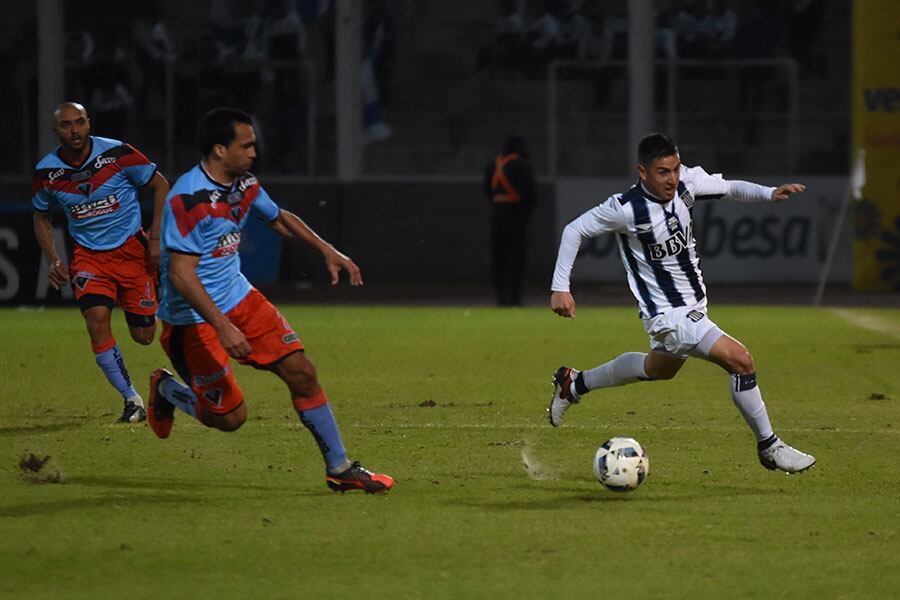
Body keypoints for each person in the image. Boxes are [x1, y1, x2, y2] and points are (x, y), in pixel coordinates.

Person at [148, 107, 394, 494]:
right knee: (229, 418)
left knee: (302, 371)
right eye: (245, 146)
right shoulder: (189, 198)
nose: (253, 153)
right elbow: (181, 274)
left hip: (240, 296)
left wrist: (327, 249)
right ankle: (166, 389)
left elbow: (277, 217)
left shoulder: (242, 183)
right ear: (218, 150)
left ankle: (340, 468)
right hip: (193, 319)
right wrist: (222, 326)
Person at [547, 132, 816, 474]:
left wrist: (768, 193)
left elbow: (729, 187)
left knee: (656, 369)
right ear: (642, 172)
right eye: (662, 172)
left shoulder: (686, 182)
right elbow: (574, 230)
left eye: (674, 168)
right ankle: (769, 445)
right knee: (741, 361)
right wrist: (560, 287)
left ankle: (574, 383)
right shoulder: (625, 209)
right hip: (667, 315)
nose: (672, 179)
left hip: (692, 307)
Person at [32, 101, 170, 423]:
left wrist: (154, 238)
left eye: (79, 122)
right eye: (66, 125)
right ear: (56, 130)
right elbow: (41, 216)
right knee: (96, 319)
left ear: (89, 123)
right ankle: (132, 400)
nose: (74, 130)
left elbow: (160, 183)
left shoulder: (117, 154)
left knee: (144, 336)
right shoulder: (46, 172)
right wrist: (53, 259)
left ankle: (156, 376)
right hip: (89, 258)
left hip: (132, 254)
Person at [483, 136, 537, 306]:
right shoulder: (522, 166)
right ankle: (515, 299)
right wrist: (525, 215)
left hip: (498, 216)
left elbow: (487, 190)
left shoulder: (494, 166)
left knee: (499, 259)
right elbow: (531, 194)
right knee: (516, 260)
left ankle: (501, 298)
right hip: (517, 218)